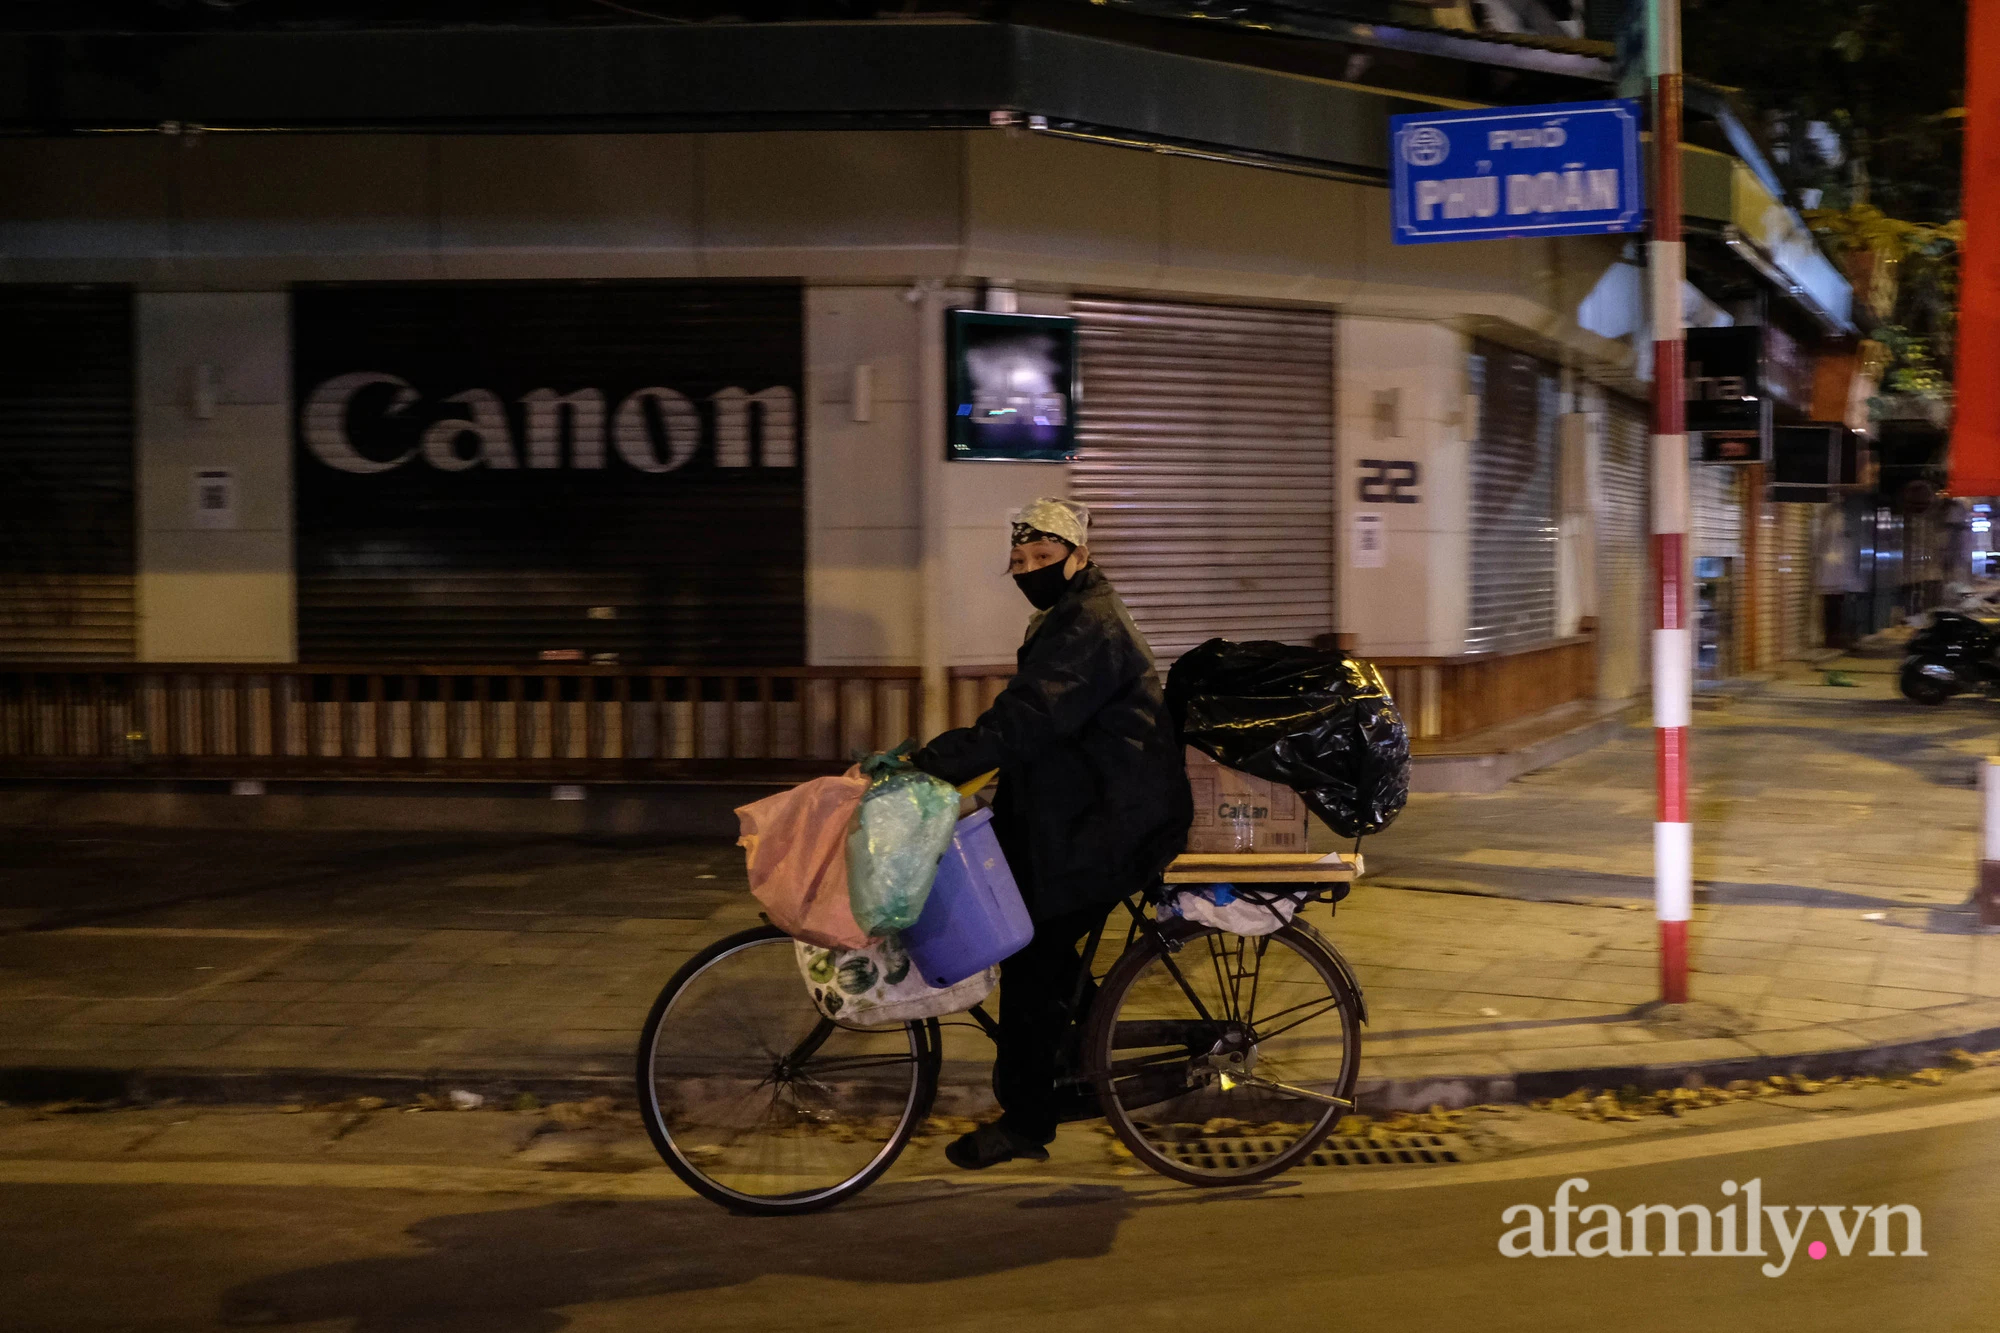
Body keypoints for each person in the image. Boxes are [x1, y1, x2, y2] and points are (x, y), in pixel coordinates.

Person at [913, 498, 1192, 1169]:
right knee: (1025, 928)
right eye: (1021, 561)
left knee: (1030, 947)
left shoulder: (1090, 624)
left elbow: (1029, 719)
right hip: (1082, 812)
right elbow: (1043, 729)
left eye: (1044, 559)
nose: (1031, 570)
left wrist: (927, 762)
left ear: (1080, 558)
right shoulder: (1067, 615)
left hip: (1117, 822)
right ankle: (1084, 1054)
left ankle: (1030, 1117)